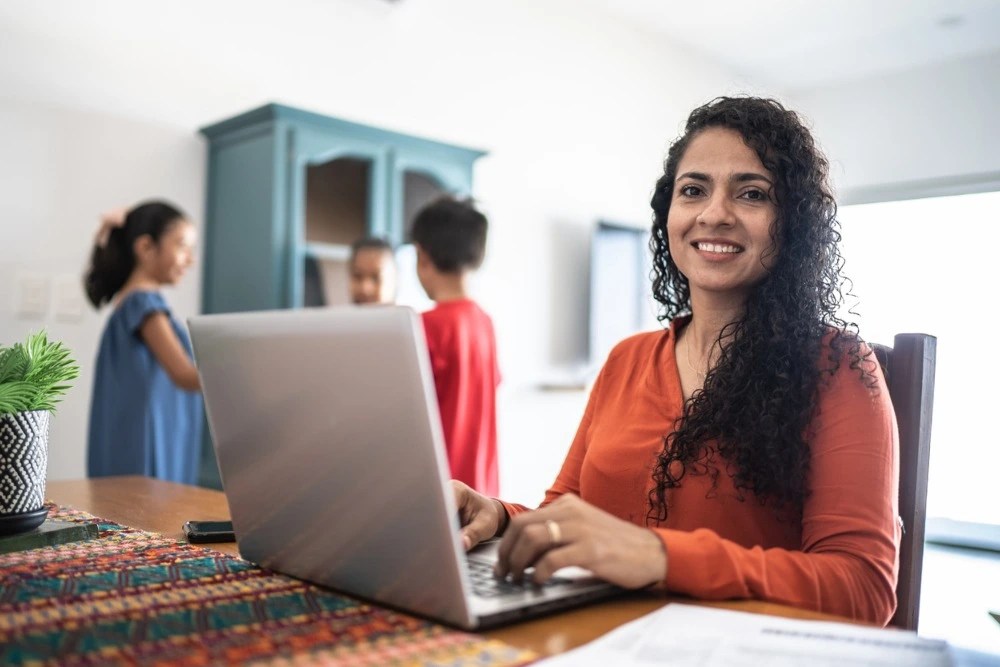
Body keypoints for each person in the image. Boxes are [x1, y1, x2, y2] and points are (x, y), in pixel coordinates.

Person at [454, 97, 901, 626]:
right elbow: (566, 513)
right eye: (693, 190)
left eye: (752, 194)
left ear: (793, 224)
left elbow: (864, 588)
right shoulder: (627, 359)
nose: (714, 214)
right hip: (596, 641)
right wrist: (500, 518)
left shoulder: (840, 368)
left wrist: (659, 557)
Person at [84, 200, 203, 484]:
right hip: (145, 448)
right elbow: (185, 375)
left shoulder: (128, 304)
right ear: (146, 248)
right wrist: (242, 371)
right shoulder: (144, 304)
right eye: (182, 246)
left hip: (125, 440)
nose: (190, 259)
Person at [411, 196, 501, 497]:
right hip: (484, 497)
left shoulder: (423, 326)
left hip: (441, 494)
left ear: (422, 255)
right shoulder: (484, 322)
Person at [348, 236, 397, 305]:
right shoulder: (334, 315)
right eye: (358, 276)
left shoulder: (413, 315)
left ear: (395, 279)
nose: (365, 289)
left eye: (376, 278)